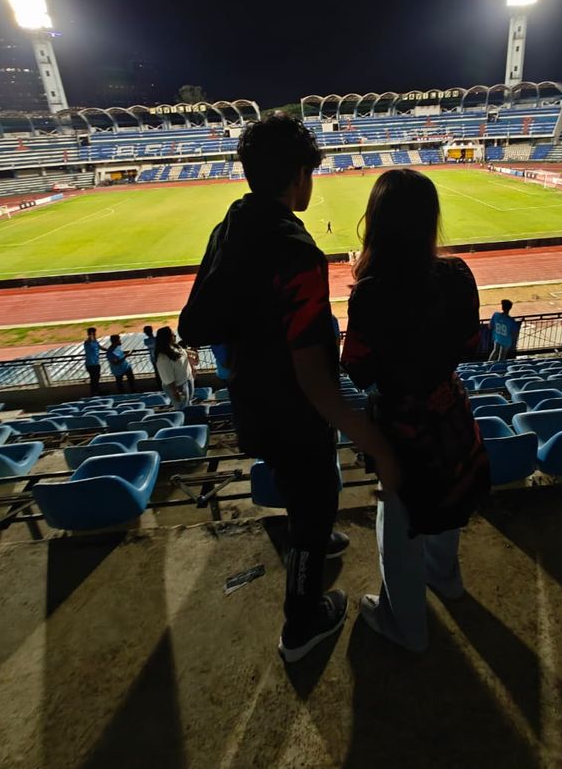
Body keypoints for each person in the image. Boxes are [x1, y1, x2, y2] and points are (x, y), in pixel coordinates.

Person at [178, 113, 398, 663]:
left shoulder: (230, 223)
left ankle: (315, 539)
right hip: (295, 408)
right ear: (300, 175)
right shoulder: (296, 250)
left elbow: (192, 326)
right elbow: (307, 363)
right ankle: (301, 626)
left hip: (249, 400)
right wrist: (358, 428)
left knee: (300, 495)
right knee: (314, 504)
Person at [341, 169, 490, 653]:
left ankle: (406, 625)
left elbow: (358, 370)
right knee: (450, 498)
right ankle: (446, 580)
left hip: (401, 427)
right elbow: (473, 345)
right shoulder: (458, 273)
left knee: (400, 527)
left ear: (377, 222)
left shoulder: (370, 293)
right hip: (450, 412)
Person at [155, 326, 195, 408]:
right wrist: (175, 392)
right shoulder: (163, 358)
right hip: (178, 386)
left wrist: (192, 353)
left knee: (188, 402)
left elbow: (182, 352)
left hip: (187, 379)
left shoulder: (174, 346)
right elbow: (168, 378)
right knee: (182, 406)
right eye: (173, 335)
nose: (175, 336)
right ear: (167, 338)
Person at [83, 327, 102, 395]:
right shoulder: (87, 342)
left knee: (96, 378)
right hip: (91, 364)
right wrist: (91, 334)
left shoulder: (95, 341)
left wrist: (110, 350)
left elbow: (100, 347)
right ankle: (94, 392)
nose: (94, 334)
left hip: (96, 363)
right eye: (93, 333)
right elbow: (90, 339)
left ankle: (96, 391)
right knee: (94, 379)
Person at [143, 325, 162, 389]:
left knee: (157, 373)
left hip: (153, 359)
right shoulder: (157, 339)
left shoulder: (146, 341)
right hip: (160, 358)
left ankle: (160, 386)